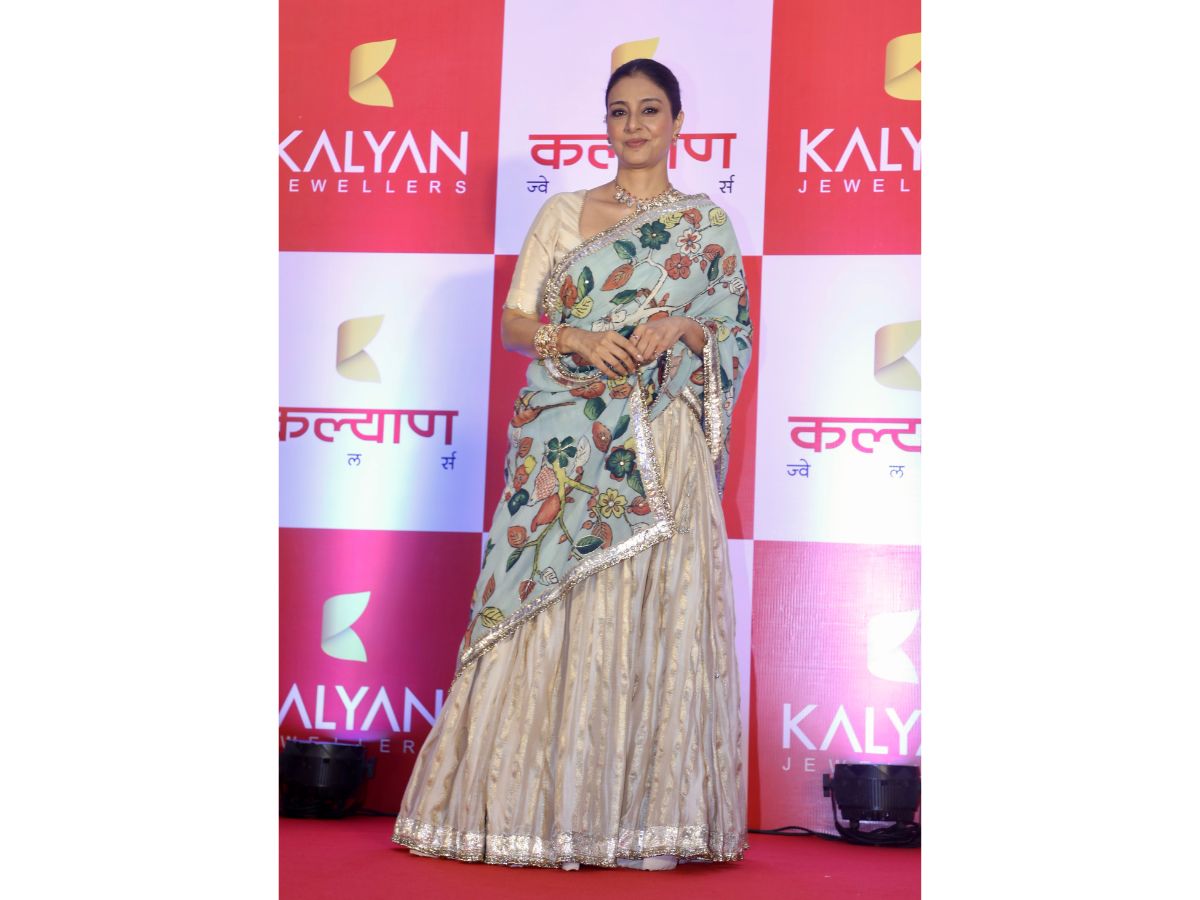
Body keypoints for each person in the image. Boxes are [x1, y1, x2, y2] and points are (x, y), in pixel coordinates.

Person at [391, 58, 754, 871]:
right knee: (547, 602)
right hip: (566, 440)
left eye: (650, 110)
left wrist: (683, 329)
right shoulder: (561, 213)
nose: (634, 126)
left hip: (662, 442)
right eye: (619, 111)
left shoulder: (706, 226)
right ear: (605, 123)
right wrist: (577, 338)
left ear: (678, 122)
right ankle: (530, 811)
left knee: (651, 608)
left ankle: (642, 825)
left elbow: (730, 332)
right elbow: (516, 324)